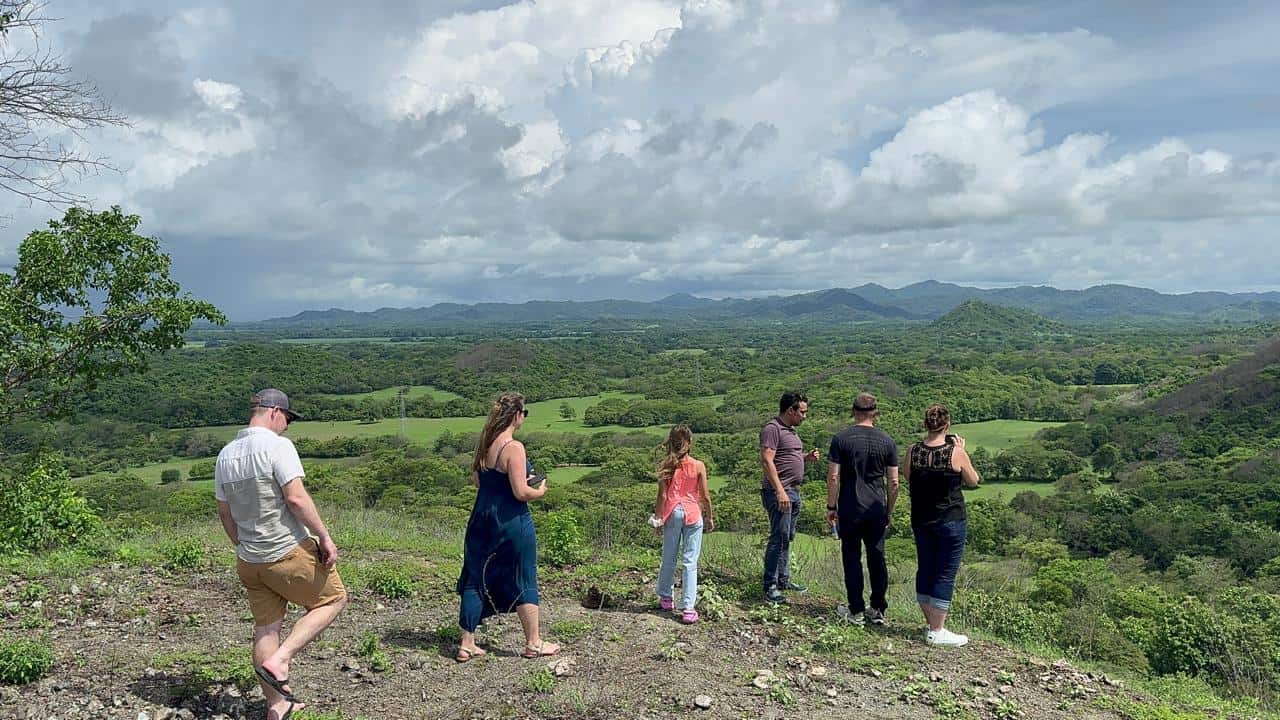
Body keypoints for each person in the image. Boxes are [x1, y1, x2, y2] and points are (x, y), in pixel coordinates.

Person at [215, 389, 347, 720]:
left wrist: (242, 545)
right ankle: (282, 659)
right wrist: (324, 537)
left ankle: (276, 705)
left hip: (249, 560)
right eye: (287, 418)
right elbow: (296, 499)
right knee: (333, 599)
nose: (287, 426)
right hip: (285, 550)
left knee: (266, 629)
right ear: (274, 411)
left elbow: (225, 513)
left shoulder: (225, 456)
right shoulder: (278, 446)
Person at [456, 393, 560, 662]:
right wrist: (540, 491)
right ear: (516, 415)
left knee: (475, 575)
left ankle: (467, 643)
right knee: (523, 575)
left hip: (482, 517)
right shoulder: (513, 447)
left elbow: (479, 482)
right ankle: (533, 642)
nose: (524, 417)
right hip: (511, 520)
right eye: (524, 413)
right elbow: (520, 492)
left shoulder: (484, 444)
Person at [902, 403, 981, 647]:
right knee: (945, 572)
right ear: (947, 425)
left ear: (925, 424)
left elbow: (908, 476)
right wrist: (962, 451)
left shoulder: (913, 451)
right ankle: (937, 630)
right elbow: (973, 480)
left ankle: (932, 625)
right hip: (950, 519)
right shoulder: (954, 452)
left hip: (921, 518)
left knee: (925, 568)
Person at [825, 392, 899, 626]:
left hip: (850, 507)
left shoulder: (841, 439)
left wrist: (831, 506)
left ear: (853, 412)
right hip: (876, 508)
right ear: (875, 413)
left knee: (852, 558)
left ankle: (855, 609)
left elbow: (834, 477)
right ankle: (877, 608)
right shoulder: (887, 441)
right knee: (877, 557)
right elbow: (894, 482)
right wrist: (888, 510)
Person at [760, 390, 821, 604]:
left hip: (793, 491)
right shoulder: (772, 429)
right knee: (778, 537)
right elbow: (767, 460)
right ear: (790, 410)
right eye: (802, 412)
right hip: (781, 492)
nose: (805, 416)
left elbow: (786, 457)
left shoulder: (791, 430)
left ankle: (783, 579)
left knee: (787, 537)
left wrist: (805, 458)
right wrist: (780, 491)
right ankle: (770, 585)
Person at [653, 425, 714, 624]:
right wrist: (709, 517)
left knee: (668, 557)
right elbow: (705, 496)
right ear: (690, 442)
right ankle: (688, 608)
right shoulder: (699, 465)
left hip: (672, 512)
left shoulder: (666, 465)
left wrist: (658, 520)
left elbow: (662, 496)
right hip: (693, 513)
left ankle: (666, 597)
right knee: (690, 561)